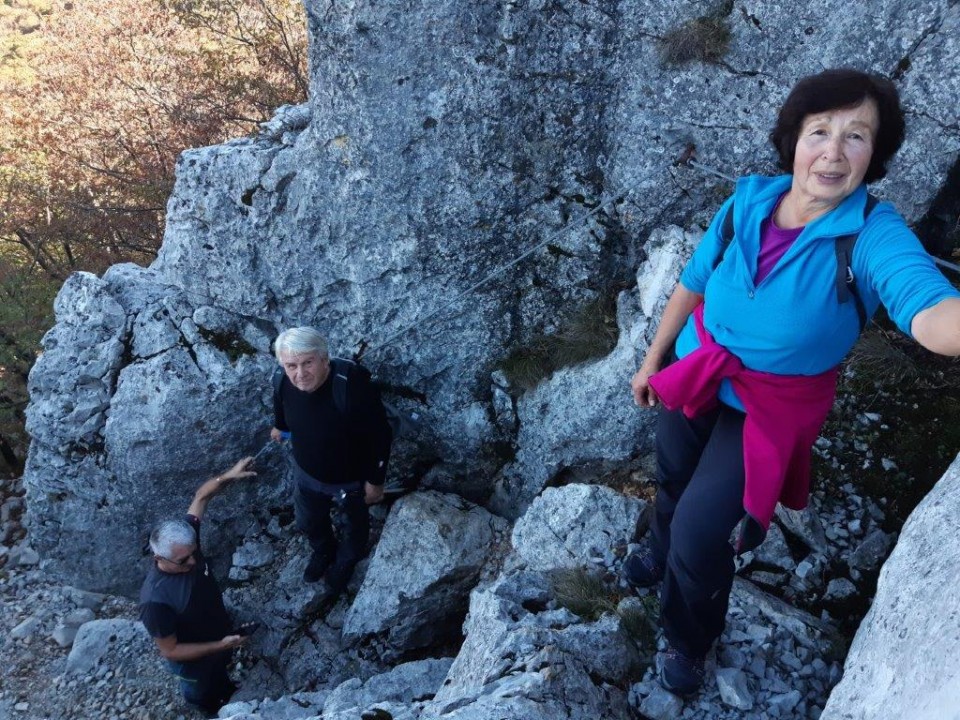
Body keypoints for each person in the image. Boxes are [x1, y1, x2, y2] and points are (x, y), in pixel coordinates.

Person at [623, 68, 960, 695]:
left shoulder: (869, 237)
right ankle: (656, 547)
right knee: (671, 476)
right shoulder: (749, 200)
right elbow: (694, 281)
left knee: (703, 527)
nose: (834, 151)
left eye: (857, 136)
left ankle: (688, 639)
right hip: (696, 368)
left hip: (768, 408)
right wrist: (652, 360)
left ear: (875, 155)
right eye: (820, 131)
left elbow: (932, 313)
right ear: (794, 140)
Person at [270, 327, 392, 594]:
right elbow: (281, 407)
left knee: (354, 526)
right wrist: (280, 426)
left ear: (324, 359)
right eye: (292, 365)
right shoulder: (282, 379)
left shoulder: (351, 388)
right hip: (306, 473)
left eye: (308, 363)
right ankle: (323, 551)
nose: (300, 374)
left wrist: (375, 481)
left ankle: (345, 561)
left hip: (350, 480)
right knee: (309, 521)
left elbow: (380, 435)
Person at [139, 457, 257, 716]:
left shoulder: (184, 545)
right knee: (202, 691)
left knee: (220, 675)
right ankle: (208, 709)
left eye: (193, 553)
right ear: (158, 558)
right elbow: (170, 651)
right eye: (183, 560)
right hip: (194, 662)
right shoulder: (155, 602)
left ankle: (226, 689)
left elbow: (201, 497)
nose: (193, 561)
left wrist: (228, 476)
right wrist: (221, 645)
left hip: (218, 635)